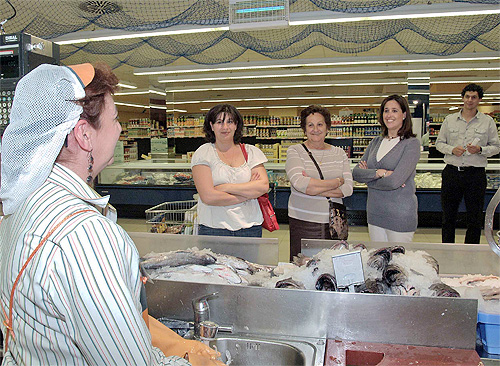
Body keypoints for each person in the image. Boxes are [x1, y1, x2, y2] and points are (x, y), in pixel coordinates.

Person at [0, 63, 223, 365]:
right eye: (115, 119)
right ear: (84, 136)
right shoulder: (84, 235)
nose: (120, 128)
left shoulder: (23, 204)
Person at [285, 105, 353, 261]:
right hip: (304, 221)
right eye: (310, 125)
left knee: (332, 267)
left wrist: (313, 187)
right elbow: (299, 183)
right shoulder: (295, 151)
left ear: (327, 127)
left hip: (335, 222)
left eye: (320, 124)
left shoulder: (339, 153)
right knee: (303, 267)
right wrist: (337, 182)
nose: (315, 129)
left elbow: (348, 188)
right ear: (304, 128)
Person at [191, 104, 269, 237]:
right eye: (219, 122)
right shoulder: (203, 153)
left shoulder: (251, 152)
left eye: (230, 122)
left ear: (236, 125)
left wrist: (225, 187)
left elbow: (263, 186)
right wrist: (248, 194)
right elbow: (208, 197)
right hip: (214, 228)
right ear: (211, 125)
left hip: (250, 227)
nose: (225, 127)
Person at [436, 83, 500, 244]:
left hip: (475, 175)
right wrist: (451, 149)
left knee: (474, 217)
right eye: (467, 96)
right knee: (448, 216)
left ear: (479, 100)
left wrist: (480, 149)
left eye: (474, 97)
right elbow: (439, 143)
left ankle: (470, 251)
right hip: (452, 172)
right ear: (463, 98)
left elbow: (496, 147)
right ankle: (447, 249)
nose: (470, 100)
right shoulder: (450, 120)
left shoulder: (487, 122)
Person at [352, 95, 420, 243]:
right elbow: (356, 173)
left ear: (404, 114)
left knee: (398, 263)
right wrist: (380, 173)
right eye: (386, 110)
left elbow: (394, 182)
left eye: (394, 110)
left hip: (399, 216)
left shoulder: (411, 144)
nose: (389, 115)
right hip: (375, 214)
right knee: (377, 261)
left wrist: (368, 179)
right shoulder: (376, 142)